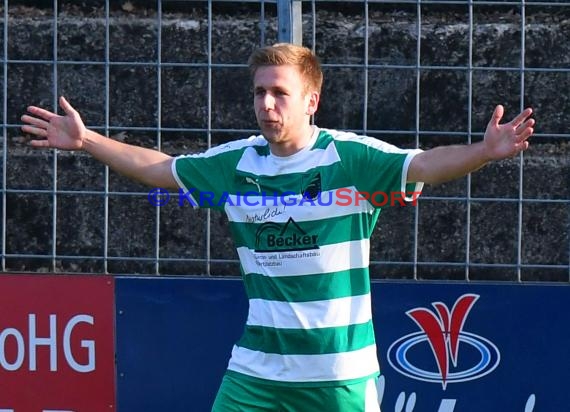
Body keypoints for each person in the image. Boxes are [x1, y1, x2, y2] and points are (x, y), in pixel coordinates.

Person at [21, 43, 534, 412]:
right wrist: (87, 141)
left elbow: (423, 165)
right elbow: (162, 170)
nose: (267, 104)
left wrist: (484, 153)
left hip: (340, 378)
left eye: (280, 93)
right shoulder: (235, 164)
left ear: (311, 101)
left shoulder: (351, 158)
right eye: (259, 92)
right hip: (256, 374)